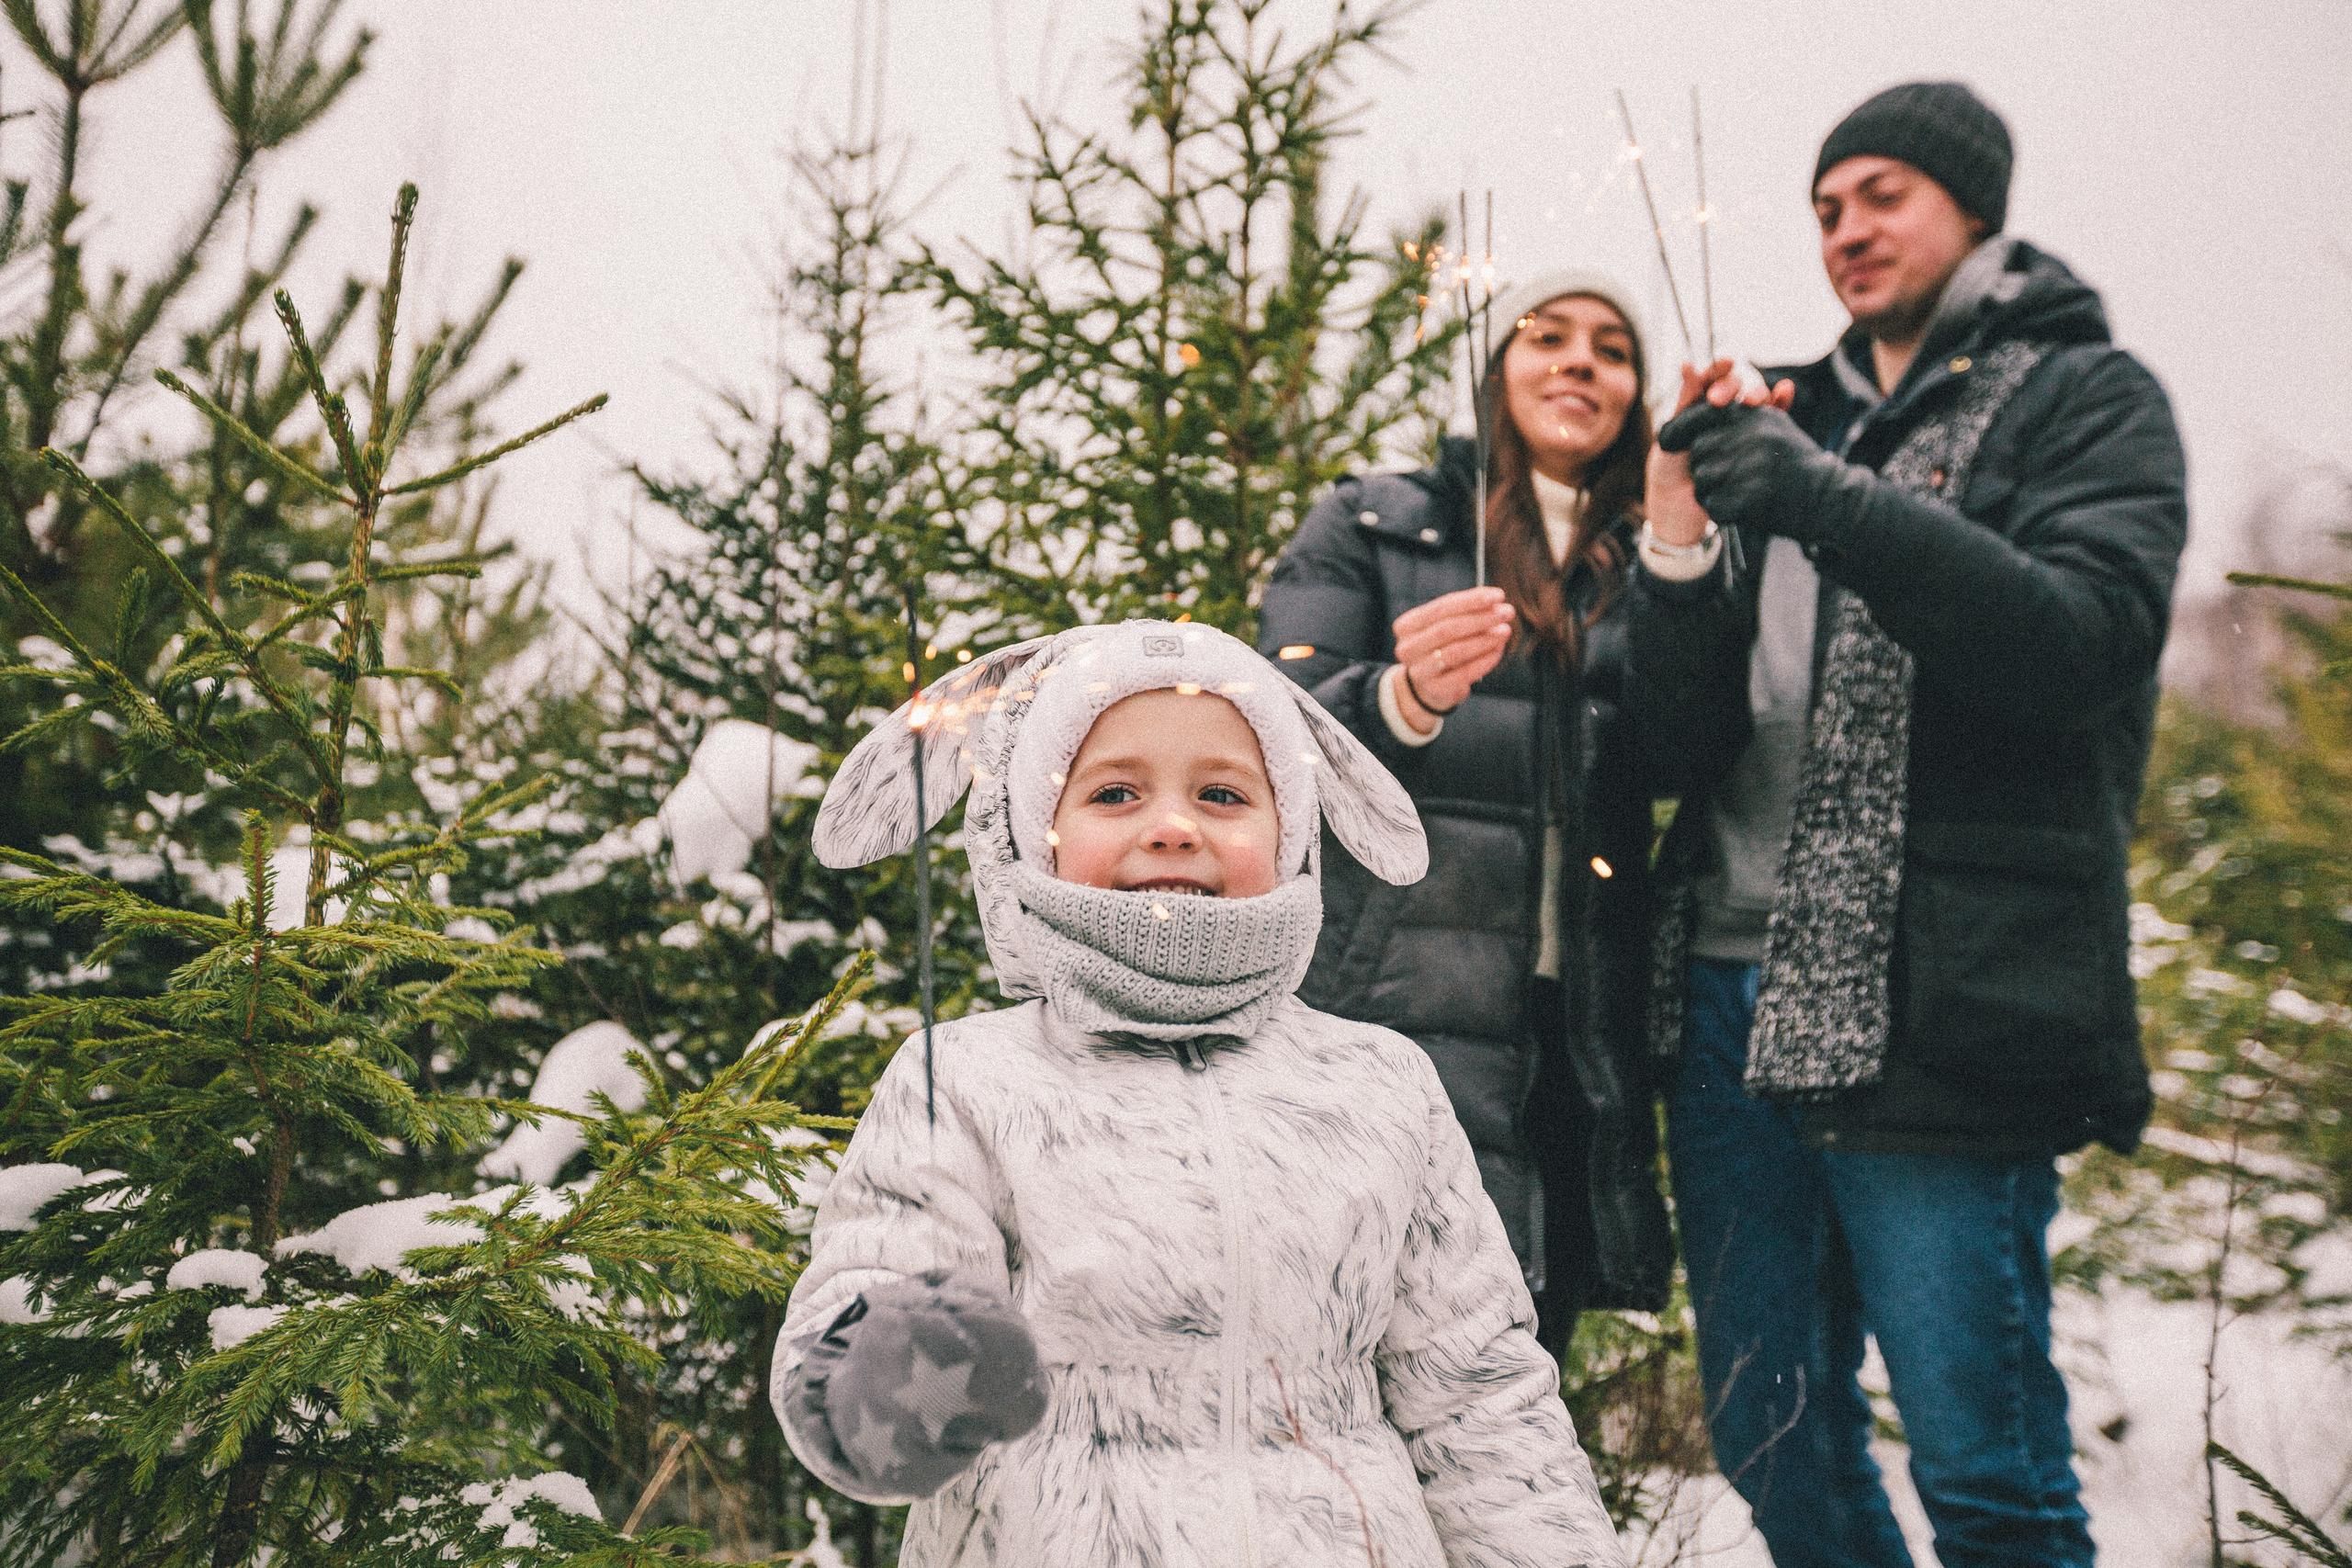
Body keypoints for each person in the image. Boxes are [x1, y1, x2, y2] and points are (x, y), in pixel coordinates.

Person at [1633, 81, 2188, 1567]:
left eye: (1883, 194)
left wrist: (1833, 503)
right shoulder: (1786, 418)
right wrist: (1678, 542)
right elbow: (1680, 739)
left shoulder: (2090, 399)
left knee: (1984, 1468)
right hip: (1727, 1003)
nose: (1847, 230)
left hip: (1943, 998)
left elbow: (2079, 647)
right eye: (1825, 207)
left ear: (1976, 208)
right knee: (1771, 1444)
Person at [770, 619, 1629, 1568]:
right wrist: (883, 1367)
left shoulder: (1379, 1085)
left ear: (1291, 831)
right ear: (1027, 831)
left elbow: (1475, 1393)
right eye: (1113, 792)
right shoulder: (970, 1080)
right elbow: (871, 1278)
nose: (1173, 824)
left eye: (1221, 793)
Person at [1256, 272, 1684, 1348]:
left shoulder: (1656, 563)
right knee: (1366, 1348)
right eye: (1548, 337)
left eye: (1612, 348)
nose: (1580, 361)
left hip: (1577, 1035)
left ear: (1637, 399)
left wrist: (1683, 559)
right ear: (1497, 374)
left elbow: (1699, 745)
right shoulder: (1376, 521)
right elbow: (1273, 725)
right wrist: (1400, 701)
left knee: (1522, 1382)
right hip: (1401, 1003)